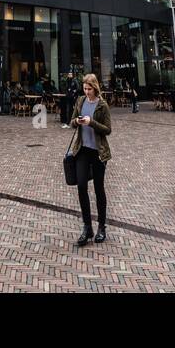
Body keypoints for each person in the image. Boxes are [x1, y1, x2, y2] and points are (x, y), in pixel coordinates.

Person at [67, 73, 112, 246]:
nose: (86, 92)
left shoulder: (102, 105)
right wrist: (77, 122)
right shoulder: (80, 101)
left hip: (98, 152)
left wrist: (91, 122)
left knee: (99, 188)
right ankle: (87, 227)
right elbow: (71, 121)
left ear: (95, 88)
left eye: (89, 89)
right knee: (81, 186)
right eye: (84, 89)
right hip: (82, 150)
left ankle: (101, 226)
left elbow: (108, 130)